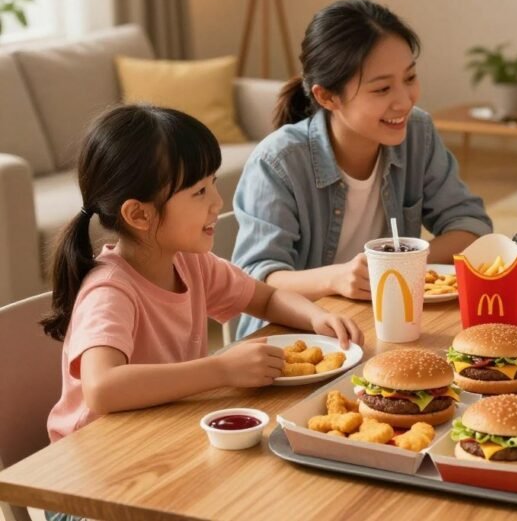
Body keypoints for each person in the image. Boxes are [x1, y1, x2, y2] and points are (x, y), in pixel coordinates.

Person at [43, 105, 363, 449]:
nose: (217, 201)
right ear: (139, 214)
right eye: (199, 191)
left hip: (161, 438)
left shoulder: (191, 264)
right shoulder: (109, 291)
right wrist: (220, 370)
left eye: (212, 184)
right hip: (92, 473)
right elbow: (102, 388)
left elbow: (265, 297)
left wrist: (317, 317)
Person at [232, 0, 491, 338]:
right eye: (382, 88)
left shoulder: (417, 132)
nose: (405, 100)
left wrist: (400, 266)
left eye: (409, 77)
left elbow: (470, 225)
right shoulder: (279, 162)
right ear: (327, 98)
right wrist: (337, 277)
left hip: (384, 323)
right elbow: (254, 279)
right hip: (297, 339)